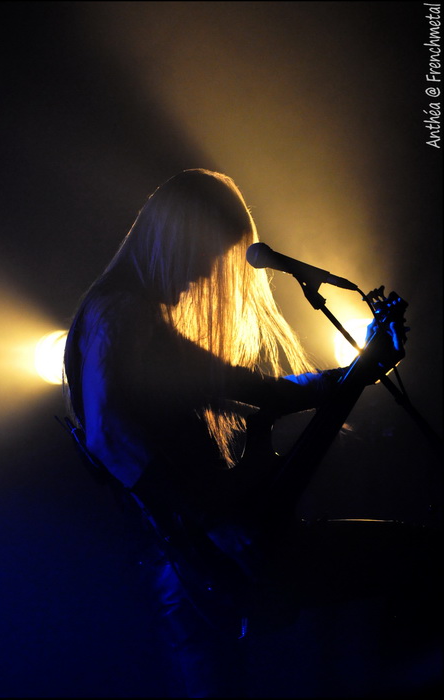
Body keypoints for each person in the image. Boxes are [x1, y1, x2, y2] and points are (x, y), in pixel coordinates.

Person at [62, 169, 405, 697]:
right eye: (207, 254)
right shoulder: (120, 312)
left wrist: (365, 367)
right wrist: (213, 522)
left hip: (199, 568)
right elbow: (109, 436)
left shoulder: (140, 318)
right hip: (194, 566)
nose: (207, 273)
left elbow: (264, 391)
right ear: (179, 238)